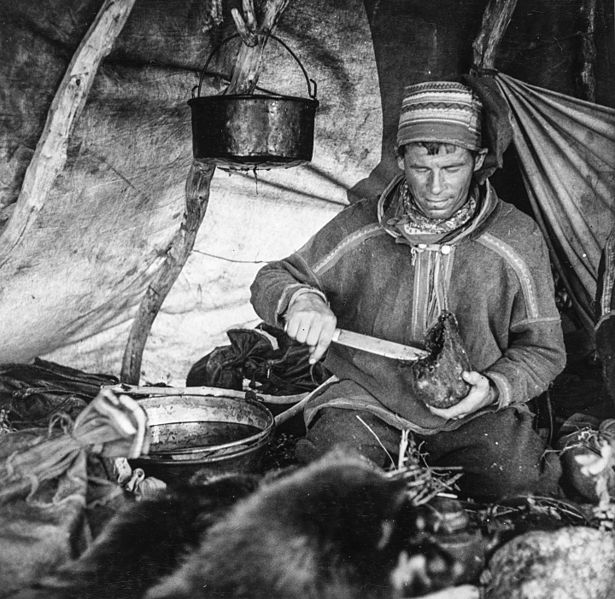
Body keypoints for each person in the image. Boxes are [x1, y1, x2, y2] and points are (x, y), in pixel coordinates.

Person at [250, 81, 566, 500]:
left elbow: (544, 351)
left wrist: (492, 388)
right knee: (325, 491)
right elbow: (273, 277)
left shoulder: (515, 238)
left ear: (479, 160)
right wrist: (302, 299)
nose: (436, 188)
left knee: (522, 485)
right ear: (400, 160)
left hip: (472, 410)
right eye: (421, 168)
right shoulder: (361, 227)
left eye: (452, 169)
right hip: (366, 398)